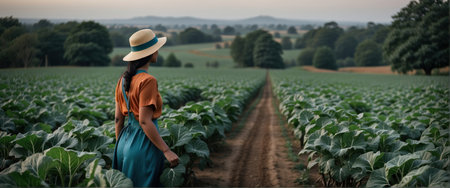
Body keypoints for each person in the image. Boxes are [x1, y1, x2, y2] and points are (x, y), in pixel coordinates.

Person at [112, 29, 179, 187]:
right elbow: (144, 121)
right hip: (143, 144)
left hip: (123, 143)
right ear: (150, 53)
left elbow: (117, 119)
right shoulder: (148, 80)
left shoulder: (123, 80)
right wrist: (166, 151)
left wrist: (121, 146)